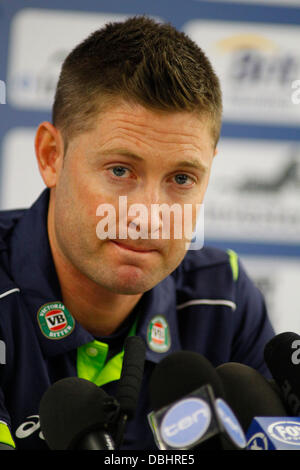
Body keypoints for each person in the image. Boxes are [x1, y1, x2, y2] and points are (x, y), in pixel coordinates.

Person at [0, 16, 275, 450]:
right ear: (52, 156)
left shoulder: (225, 296)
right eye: (120, 170)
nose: (149, 217)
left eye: (182, 179)